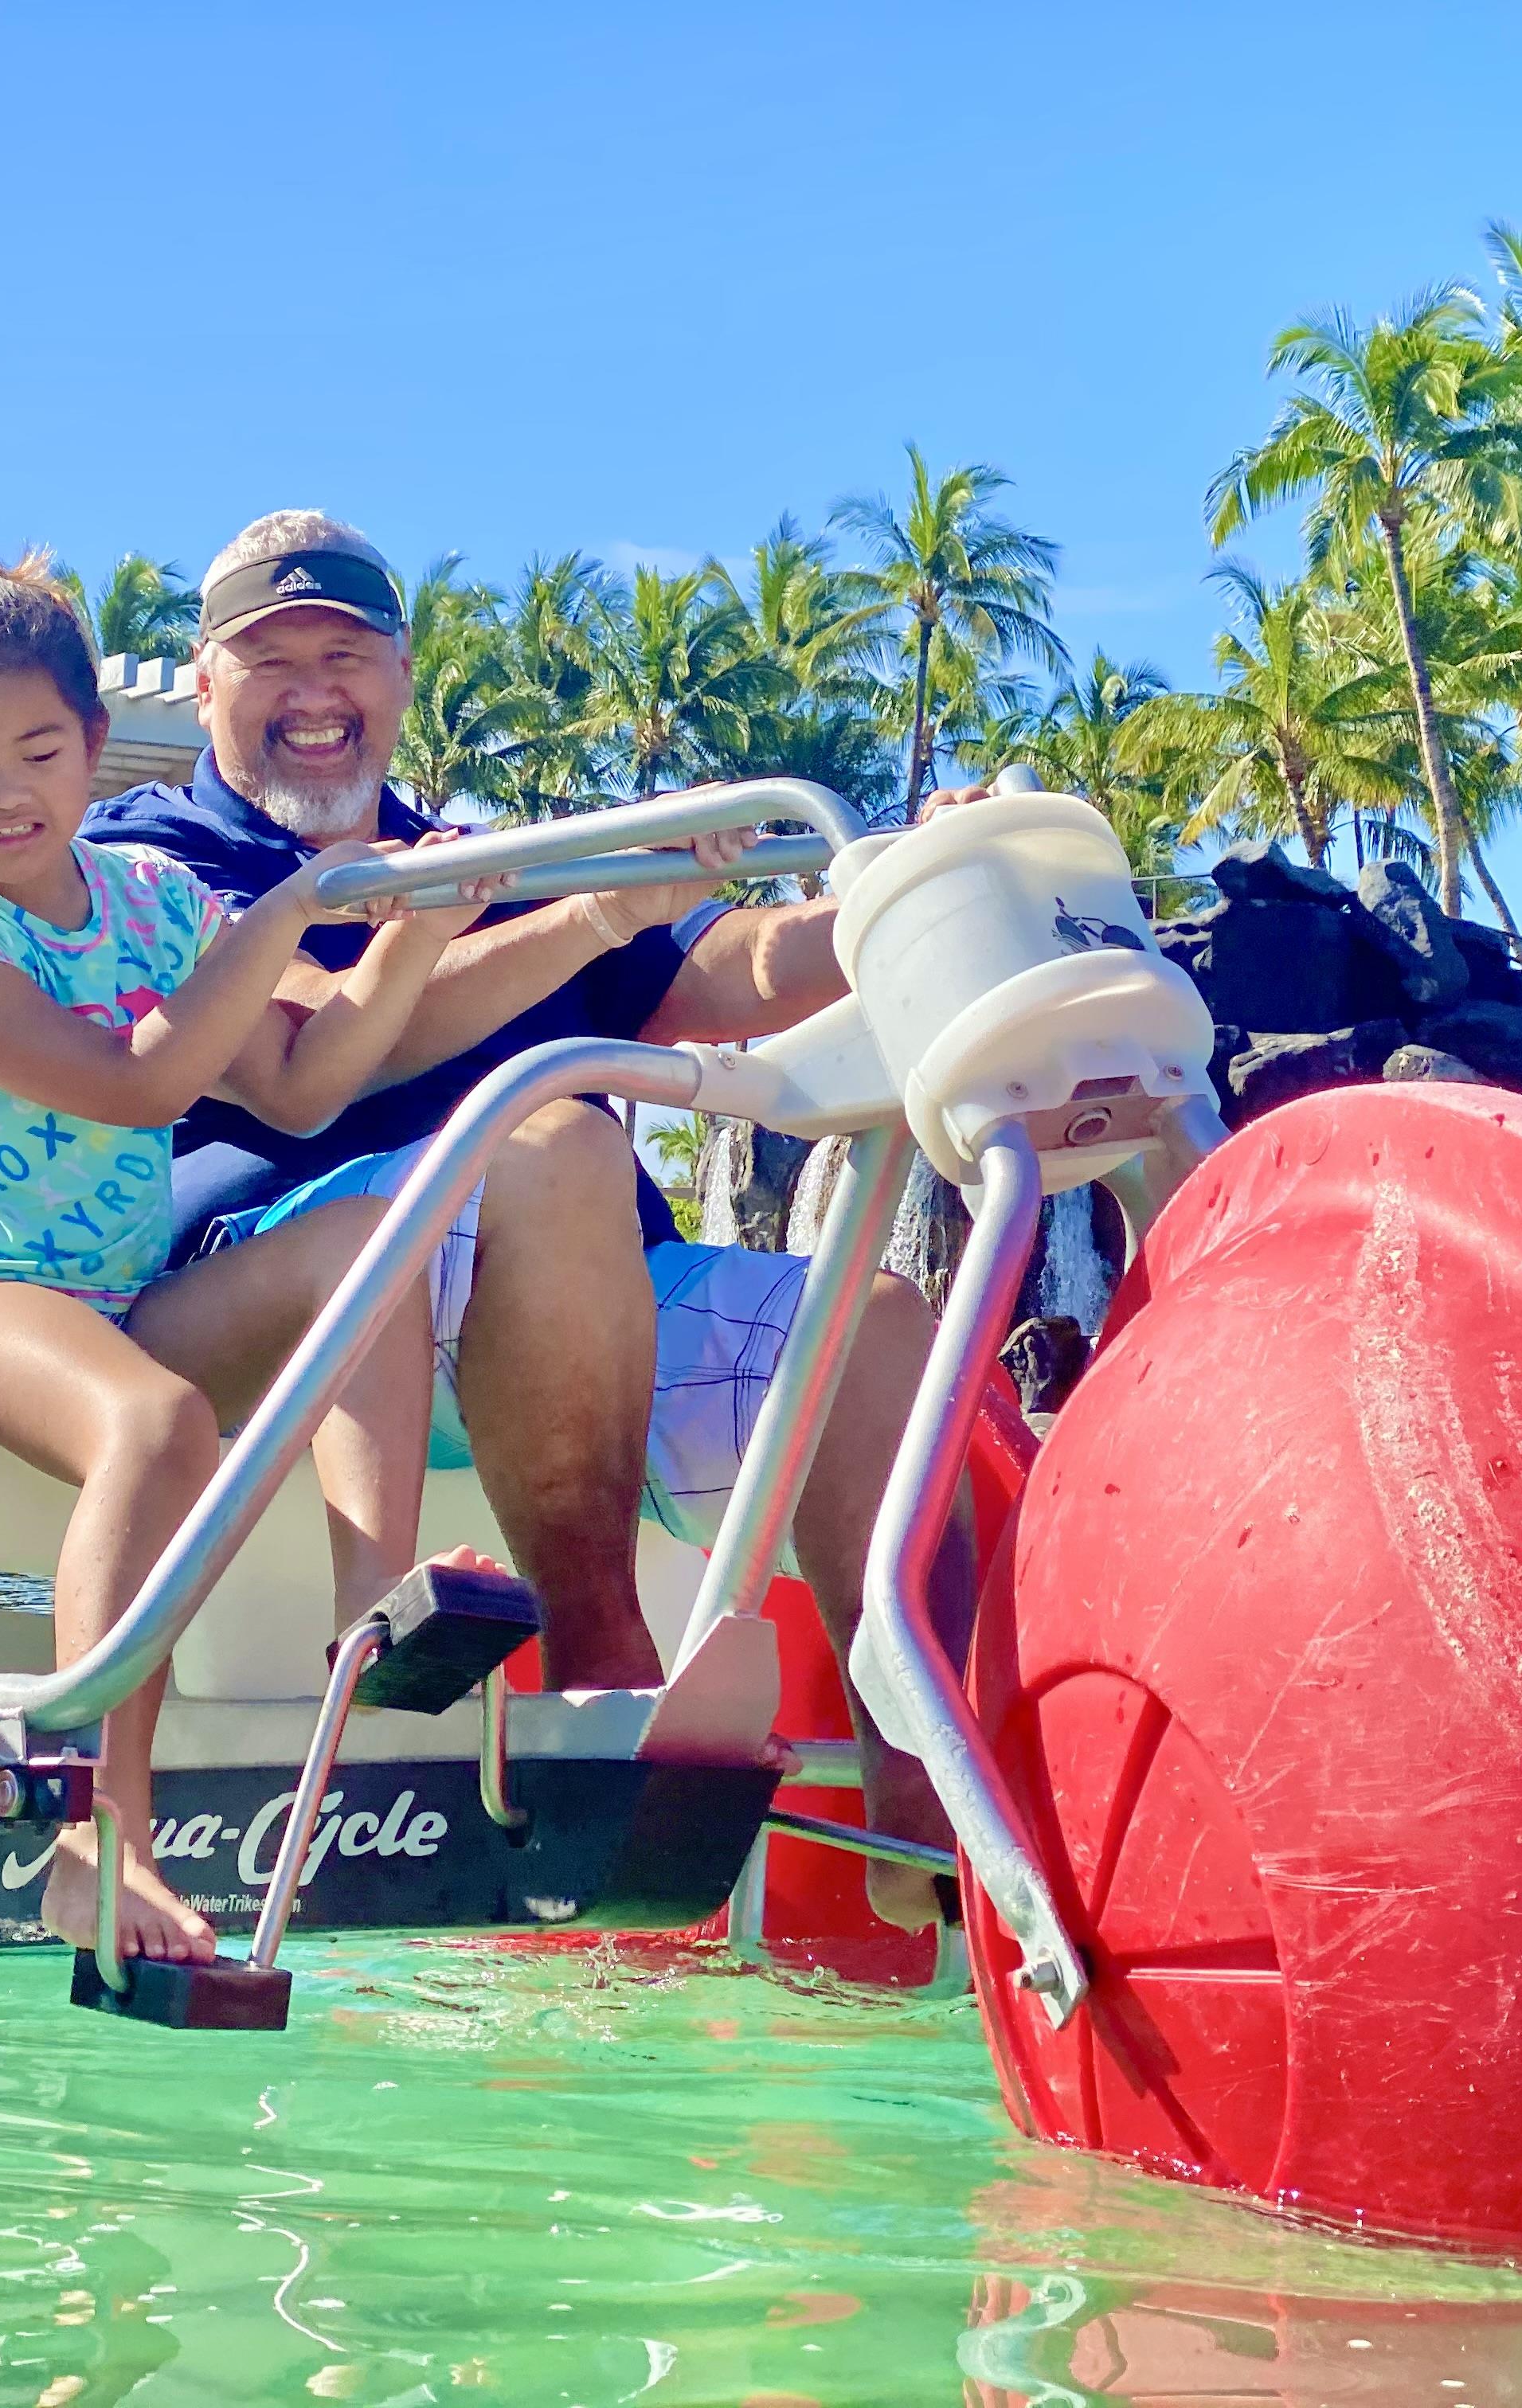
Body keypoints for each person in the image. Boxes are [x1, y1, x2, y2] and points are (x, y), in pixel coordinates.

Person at [87, 510, 969, 1929]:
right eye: (273, 660)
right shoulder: (147, 862)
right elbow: (323, 1060)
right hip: (281, 1305)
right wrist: (583, 921)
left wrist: (896, 903)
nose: (316, 690)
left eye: (347, 654)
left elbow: (726, 968)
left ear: (401, 673)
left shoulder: (485, 857)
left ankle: (930, 1852)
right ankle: (590, 1677)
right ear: (202, 688)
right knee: (550, 1142)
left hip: (563, 1305)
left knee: (871, 1323)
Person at [0, 557, 498, 1964]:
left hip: (128, 1301)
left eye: (38, 749)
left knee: (372, 1236)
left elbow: (302, 1085)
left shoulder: (152, 896)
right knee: (157, 1422)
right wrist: (281, 918)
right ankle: (96, 1840)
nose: (5, 788)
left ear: (93, 748)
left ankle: (366, 1634)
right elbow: (139, 1085)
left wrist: (420, 933)